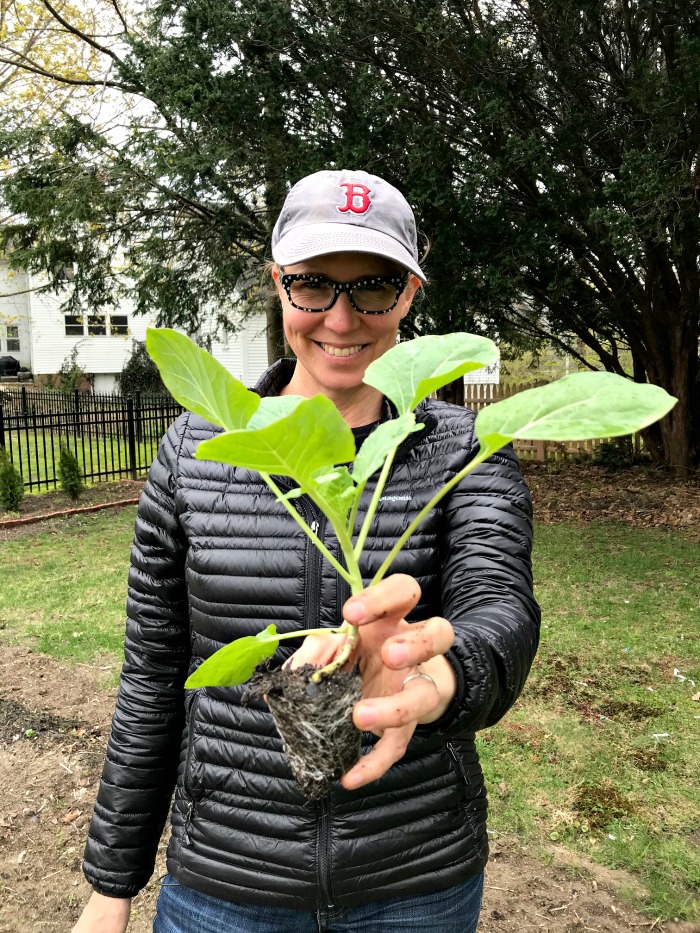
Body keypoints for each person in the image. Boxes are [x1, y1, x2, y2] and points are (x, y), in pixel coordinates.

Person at [73, 169, 540, 933]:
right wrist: (111, 882)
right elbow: (154, 675)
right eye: (313, 285)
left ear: (412, 291)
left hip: (414, 875)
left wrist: (441, 668)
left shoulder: (462, 448)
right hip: (226, 879)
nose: (342, 318)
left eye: (376, 287)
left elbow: (501, 608)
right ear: (278, 285)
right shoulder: (198, 447)